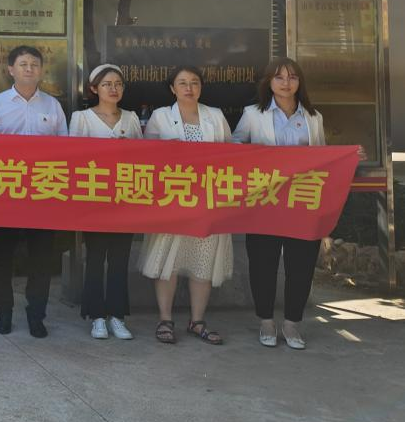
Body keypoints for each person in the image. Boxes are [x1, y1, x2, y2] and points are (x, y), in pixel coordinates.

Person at [233, 57, 327, 350]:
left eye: (292, 77)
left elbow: (324, 157)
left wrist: (350, 156)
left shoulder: (313, 117)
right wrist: (256, 155)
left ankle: (292, 323)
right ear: (269, 82)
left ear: (300, 82)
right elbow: (234, 145)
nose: (286, 83)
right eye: (279, 77)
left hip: (302, 203)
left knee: (301, 265)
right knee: (263, 264)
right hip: (264, 202)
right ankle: (266, 321)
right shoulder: (253, 114)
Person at [141, 65, 233, 346]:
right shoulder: (160, 116)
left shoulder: (215, 115)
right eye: (182, 83)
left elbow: (233, 155)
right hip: (172, 201)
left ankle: (197, 321)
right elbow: (146, 158)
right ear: (172, 88)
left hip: (208, 201)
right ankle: (165, 319)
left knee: (202, 263)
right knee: (167, 262)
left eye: (194, 82)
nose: (189, 88)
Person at [0, 45, 67, 338]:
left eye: (34, 64)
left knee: (41, 258)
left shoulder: (53, 106)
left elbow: (65, 150)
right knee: (2, 257)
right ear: (11, 70)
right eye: (23, 64)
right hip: (6, 192)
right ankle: (3, 314)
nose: (29, 68)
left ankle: (36, 315)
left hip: (43, 192)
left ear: (41, 71)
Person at [69, 64, 143, 341]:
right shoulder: (82, 118)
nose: (113, 89)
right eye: (107, 84)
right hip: (95, 200)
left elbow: (143, 157)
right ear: (94, 89)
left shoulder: (131, 118)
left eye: (118, 84)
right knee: (96, 257)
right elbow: (73, 158)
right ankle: (97, 316)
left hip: (125, 199)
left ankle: (118, 316)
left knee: (120, 260)